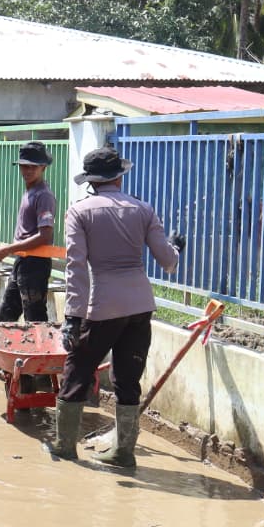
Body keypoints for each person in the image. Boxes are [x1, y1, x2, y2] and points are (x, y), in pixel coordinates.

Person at [48, 146, 184, 467]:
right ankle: (124, 453)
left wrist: (72, 317)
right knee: (127, 378)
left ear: (91, 182)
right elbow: (167, 261)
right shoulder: (144, 209)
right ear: (120, 175)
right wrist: (177, 248)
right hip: (139, 306)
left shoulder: (79, 212)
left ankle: (64, 446)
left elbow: (76, 268)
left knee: (78, 369)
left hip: (102, 305)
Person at [0, 142, 58, 323]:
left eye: (32, 167)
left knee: (35, 318)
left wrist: (8, 249)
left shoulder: (43, 195)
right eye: (23, 166)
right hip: (23, 262)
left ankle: (41, 351)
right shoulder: (31, 190)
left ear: (43, 167)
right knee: (5, 316)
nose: (27, 171)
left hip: (35, 264)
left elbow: (45, 235)